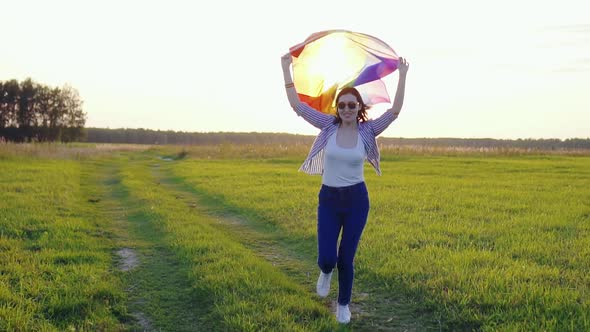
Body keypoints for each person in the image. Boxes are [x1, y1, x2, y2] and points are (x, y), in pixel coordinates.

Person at [281, 52, 409, 324]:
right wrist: (285, 69)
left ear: (359, 107)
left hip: (356, 201)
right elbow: (297, 106)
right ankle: (325, 271)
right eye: (342, 105)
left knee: (346, 257)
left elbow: (395, 112)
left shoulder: (368, 131)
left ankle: (343, 304)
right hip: (328, 199)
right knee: (327, 257)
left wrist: (403, 75)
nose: (347, 109)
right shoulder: (328, 125)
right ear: (337, 108)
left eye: (352, 105)